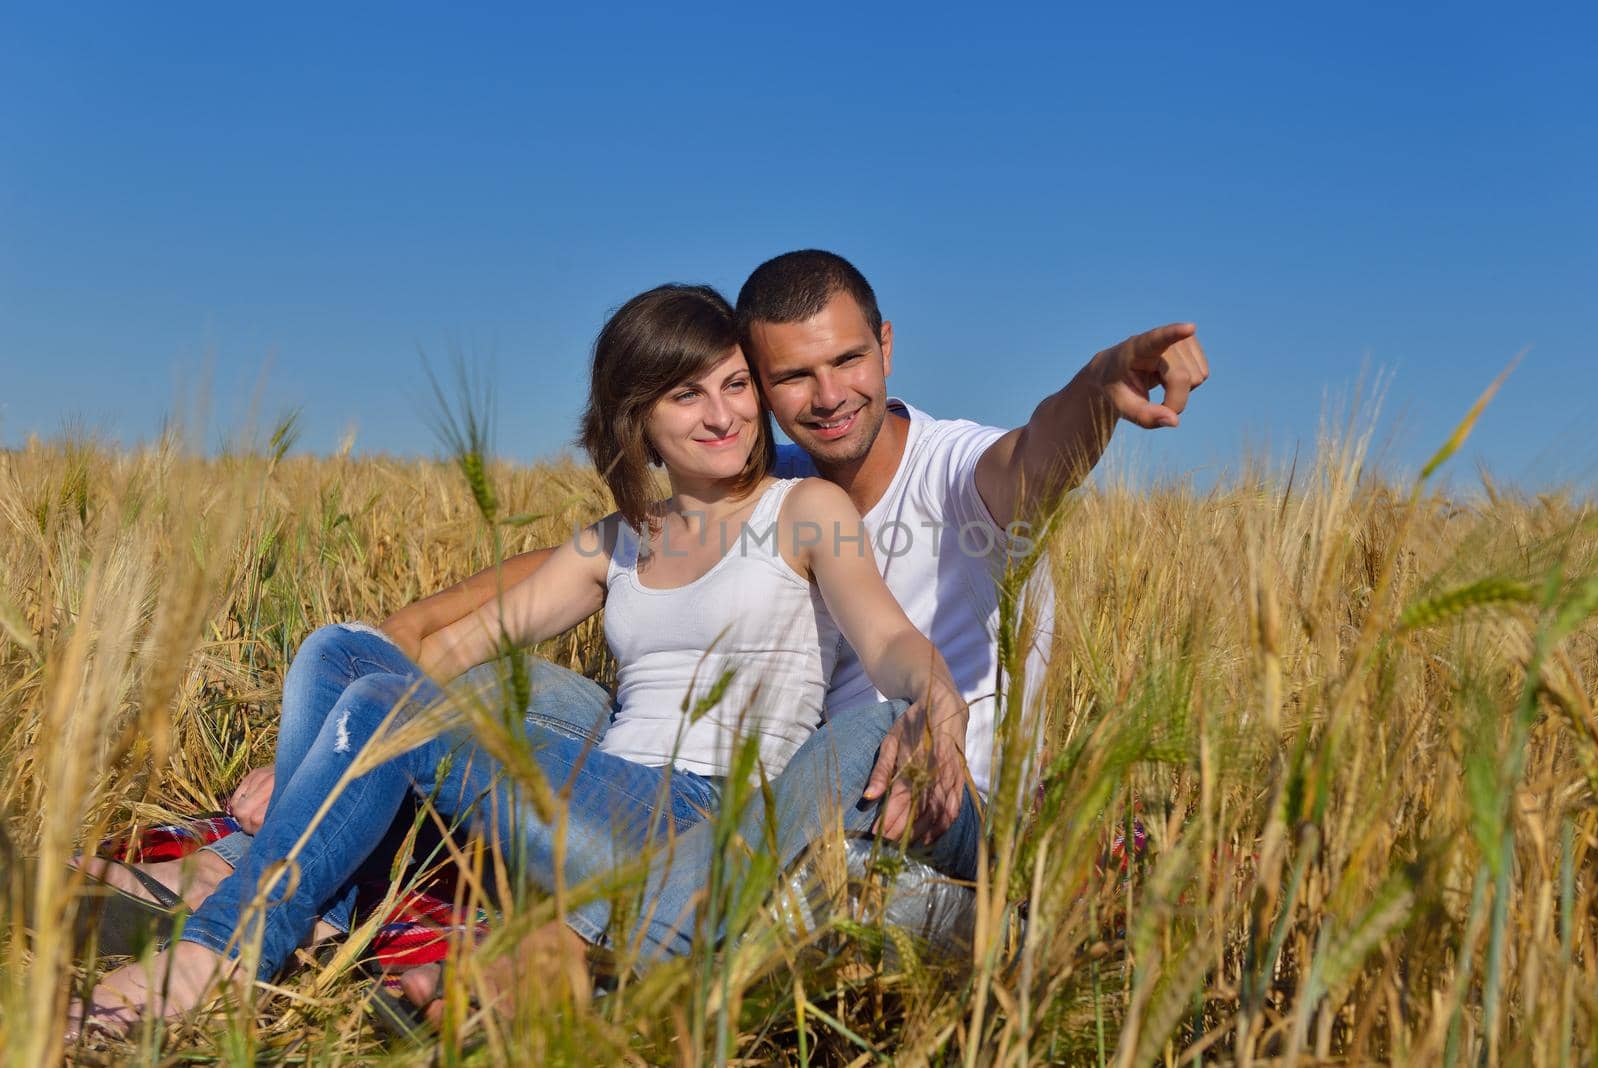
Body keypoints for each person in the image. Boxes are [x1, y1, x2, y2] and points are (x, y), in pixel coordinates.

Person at [65, 282, 971, 1037]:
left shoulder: (802, 507)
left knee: (391, 706)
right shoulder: (620, 542)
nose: (725, 414)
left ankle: (219, 953)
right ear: (638, 421)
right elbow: (447, 650)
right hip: (589, 791)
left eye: (736, 385)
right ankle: (315, 900)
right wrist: (325, 748)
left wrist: (936, 695)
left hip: (693, 812)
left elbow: (886, 636)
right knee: (345, 655)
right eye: (686, 395)